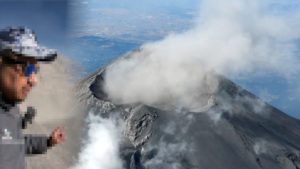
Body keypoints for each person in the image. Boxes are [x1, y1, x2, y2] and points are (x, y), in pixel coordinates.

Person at [0, 27, 66, 169]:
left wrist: (48, 142)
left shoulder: (9, 106)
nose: (34, 80)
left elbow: (12, 144)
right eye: (27, 68)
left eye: (35, 70)